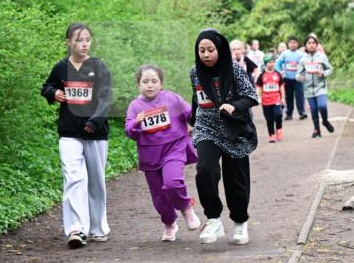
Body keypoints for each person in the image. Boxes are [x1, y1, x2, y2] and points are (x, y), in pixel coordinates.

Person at [40, 23, 112, 248]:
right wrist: (54, 93)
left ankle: (98, 228)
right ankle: (76, 229)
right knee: (73, 177)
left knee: (96, 182)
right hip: (69, 133)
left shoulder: (99, 67)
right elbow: (46, 87)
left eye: (87, 39)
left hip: (95, 133)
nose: (84, 43)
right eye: (79, 39)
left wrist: (94, 121)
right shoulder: (61, 67)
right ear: (68, 42)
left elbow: (106, 99)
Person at [189, 29, 258, 245]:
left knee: (236, 180)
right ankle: (213, 219)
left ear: (220, 50)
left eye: (210, 50)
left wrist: (234, 106)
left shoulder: (235, 70)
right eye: (202, 51)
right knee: (205, 170)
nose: (206, 55)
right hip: (206, 127)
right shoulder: (195, 72)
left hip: (233, 129)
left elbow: (251, 97)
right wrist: (191, 121)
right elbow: (197, 97)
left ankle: (239, 222)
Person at [124, 65, 202, 241]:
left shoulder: (172, 99)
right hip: (150, 156)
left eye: (154, 81)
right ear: (138, 85)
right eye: (145, 81)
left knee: (172, 182)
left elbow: (191, 113)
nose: (149, 85)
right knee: (159, 198)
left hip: (173, 149)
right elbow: (130, 132)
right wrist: (136, 123)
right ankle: (169, 223)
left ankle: (186, 207)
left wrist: (197, 119)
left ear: (161, 84)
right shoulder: (135, 106)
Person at [299, 34, 334, 138]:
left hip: (320, 87)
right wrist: (299, 77)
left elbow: (330, 69)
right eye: (309, 43)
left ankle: (325, 121)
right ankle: (317, 130)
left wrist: (323, 73)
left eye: (313, 43)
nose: (311, 45)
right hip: (308, 89)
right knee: (313, 110)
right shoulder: (303, 59)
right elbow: (298, 73)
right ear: (305, 46)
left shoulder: (322, 57)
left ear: (317, 45)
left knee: (322, 106)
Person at [274, 36, 306, 120]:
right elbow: (278, 64)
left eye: (294, 42)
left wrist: (302, 74)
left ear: (297, 44)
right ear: (288, 44)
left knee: (300, 95)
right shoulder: (284, 54)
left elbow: (305, 65)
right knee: (289, 97)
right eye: (291, 43)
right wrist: (279, 73)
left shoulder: (301, 54)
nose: (293, 44)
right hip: (287, 79)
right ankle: (289, 114)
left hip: (298, 79)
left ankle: (302, 112)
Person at [257, 54, 284, 143]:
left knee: (278, 115)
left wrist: (283, 98)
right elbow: (259, 88)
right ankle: (272, 135)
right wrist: (259, 98)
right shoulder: (262, 76)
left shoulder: (278, 74)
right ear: (265, 63)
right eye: (269, 62)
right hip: (266, 101)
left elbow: (281, 87)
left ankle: (279, 129)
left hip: (276, 99)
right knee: (269, 119)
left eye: (273, 62)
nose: (272, 64)